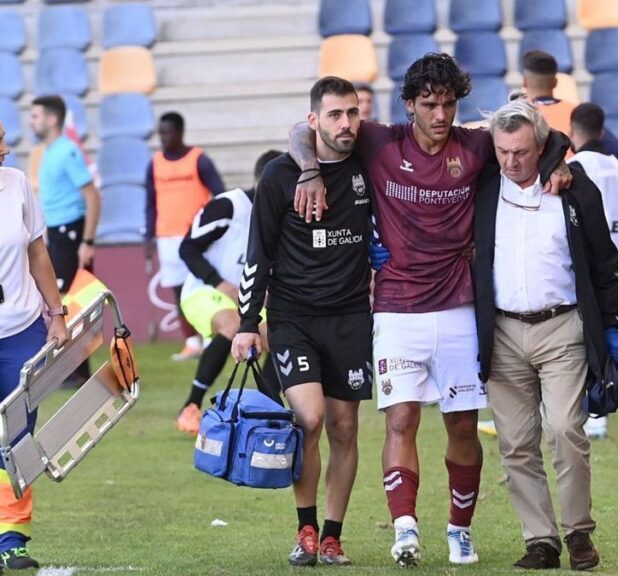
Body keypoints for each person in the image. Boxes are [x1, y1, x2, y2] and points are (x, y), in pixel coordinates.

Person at [288, 54, 570, 567]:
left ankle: (459, 531)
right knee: (401, 422)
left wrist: (558, 161)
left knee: (463, 427)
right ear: (410, 105)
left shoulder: (476, 145)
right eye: (430, 105)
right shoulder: (379, 141)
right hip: (396, 309)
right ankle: (405, 529)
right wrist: (309, 170)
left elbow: (541, 133)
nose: (441, 115)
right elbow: (300, 129)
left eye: (449, 104)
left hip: (460, 309)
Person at [473, 98, 618, 571]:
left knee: (564, 428)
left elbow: (604, 263)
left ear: (541, 147)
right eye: (502, 151)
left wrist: (613, 326)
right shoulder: (483, 186)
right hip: (501, 328)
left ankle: (579, 531)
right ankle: (540, 540)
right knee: (515, 442)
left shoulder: (575, 188)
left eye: (521, 151)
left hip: (562, 326)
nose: (511, 161)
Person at [231, 78, 374, 567]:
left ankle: (332, 535)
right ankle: (305, 528)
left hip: (352, 315)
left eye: (352, 114)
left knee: (344, 426)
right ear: (313, 120)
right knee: (308, 419)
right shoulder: (278, 175)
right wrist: (249, 322)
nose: (346, 124)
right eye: (334, 115)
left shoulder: (367, 163)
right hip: (293, 316)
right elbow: (259, 251)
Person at [0, 120, 69, 570]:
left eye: (3, 138)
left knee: (17, 440)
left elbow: (37, 252)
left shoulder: (18, 183)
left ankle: (13, 539)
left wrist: (58, 314)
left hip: (22, 329)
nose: (6, 148)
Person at [175, 150, 284, 435]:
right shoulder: (228, 206)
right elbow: (187, 248)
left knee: (284, 333)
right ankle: (191, 405)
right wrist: (221, 284)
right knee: (234, 324)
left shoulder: (281, 215)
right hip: (204, 291)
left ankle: (269, 407)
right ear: (262, 181)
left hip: (246, 297)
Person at [568, 103, 618, 440]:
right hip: (616, 264)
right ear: (602, 131)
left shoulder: (577, 167)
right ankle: (599, 410)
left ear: (573, 131)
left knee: (584, 342)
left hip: (590, 265)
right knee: (605, 338)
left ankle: (594, 413)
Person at [30, 95, 100, 386]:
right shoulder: (50, 151)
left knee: (71, 302)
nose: (32, 121)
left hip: (71, 234)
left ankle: (77, 371)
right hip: (57, 235)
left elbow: (92, 196)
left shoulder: (67, 151)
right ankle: (74, 370)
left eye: (36, 116)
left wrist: (87, 240)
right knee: (64, 301)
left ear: (52, 118)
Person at [146, 111, 225, 362]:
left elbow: (219, 194)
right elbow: (150, 202)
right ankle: (191, 342)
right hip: (167, 237)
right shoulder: (155, 163)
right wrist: (148, 235)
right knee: (179, 292)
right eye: (161, 132)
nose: (163, 137)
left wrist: (213, 227)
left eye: (167, 132)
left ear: (180, 132)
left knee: (206, 287)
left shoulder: (198, 160)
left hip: (196, 238)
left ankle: (213, 337)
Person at [520, 50, 618, 168]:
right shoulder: (577, 112)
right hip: (575, 180)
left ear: (525, 81)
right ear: (555, 82)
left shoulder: (516, 115)